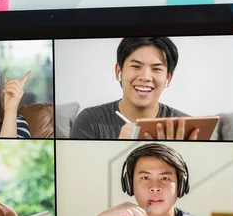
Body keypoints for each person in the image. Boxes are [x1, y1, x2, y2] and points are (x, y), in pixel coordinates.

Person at [70, 37, 198, 140]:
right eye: (136, 66)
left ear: (168, 78)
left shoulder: (186, 126)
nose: (145, 77)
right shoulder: (90, 121)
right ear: (118, 71)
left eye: (156, 69)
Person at [87, 143, 190, 216]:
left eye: (165, 178)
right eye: (145, 177)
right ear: (130, 185)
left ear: (181, 186)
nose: (154, 187)